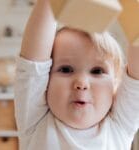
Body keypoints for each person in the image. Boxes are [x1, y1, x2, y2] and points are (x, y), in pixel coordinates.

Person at [14, 0, 139, 149]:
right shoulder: (36, 121)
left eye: (97, 71)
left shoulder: (120, 125)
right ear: (46, 82)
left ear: (115, 85)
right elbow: (32, 64)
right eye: (66, 69)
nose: (81, 83)